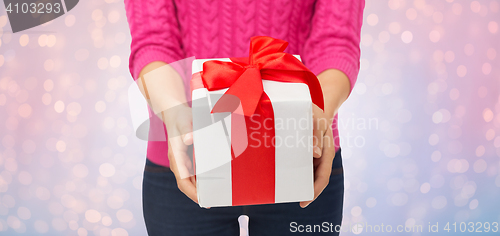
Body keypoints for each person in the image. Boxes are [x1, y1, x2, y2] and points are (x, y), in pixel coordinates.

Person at [124, 0, 364, 235]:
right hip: (186, 158)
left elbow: (337, 41)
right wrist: (174, 112)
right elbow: (153, 40)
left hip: (302, 152)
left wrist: (320, 114)